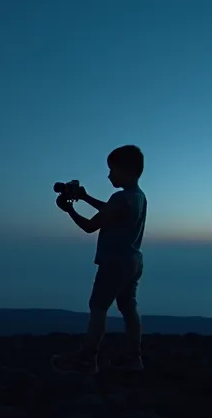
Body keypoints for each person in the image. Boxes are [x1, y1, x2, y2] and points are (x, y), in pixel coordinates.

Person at [50, 144, 148, 374]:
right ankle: (135, 358)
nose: (109, 175)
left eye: (112, 170)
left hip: (114, 262)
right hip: (133, 261)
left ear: (127, 170)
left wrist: (69, 211)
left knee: (98, 307)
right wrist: (84, 198)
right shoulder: (138, 197)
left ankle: (87, 359)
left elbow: (90, 226)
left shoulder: (120, 197)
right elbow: (110, 210)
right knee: (128, 307)